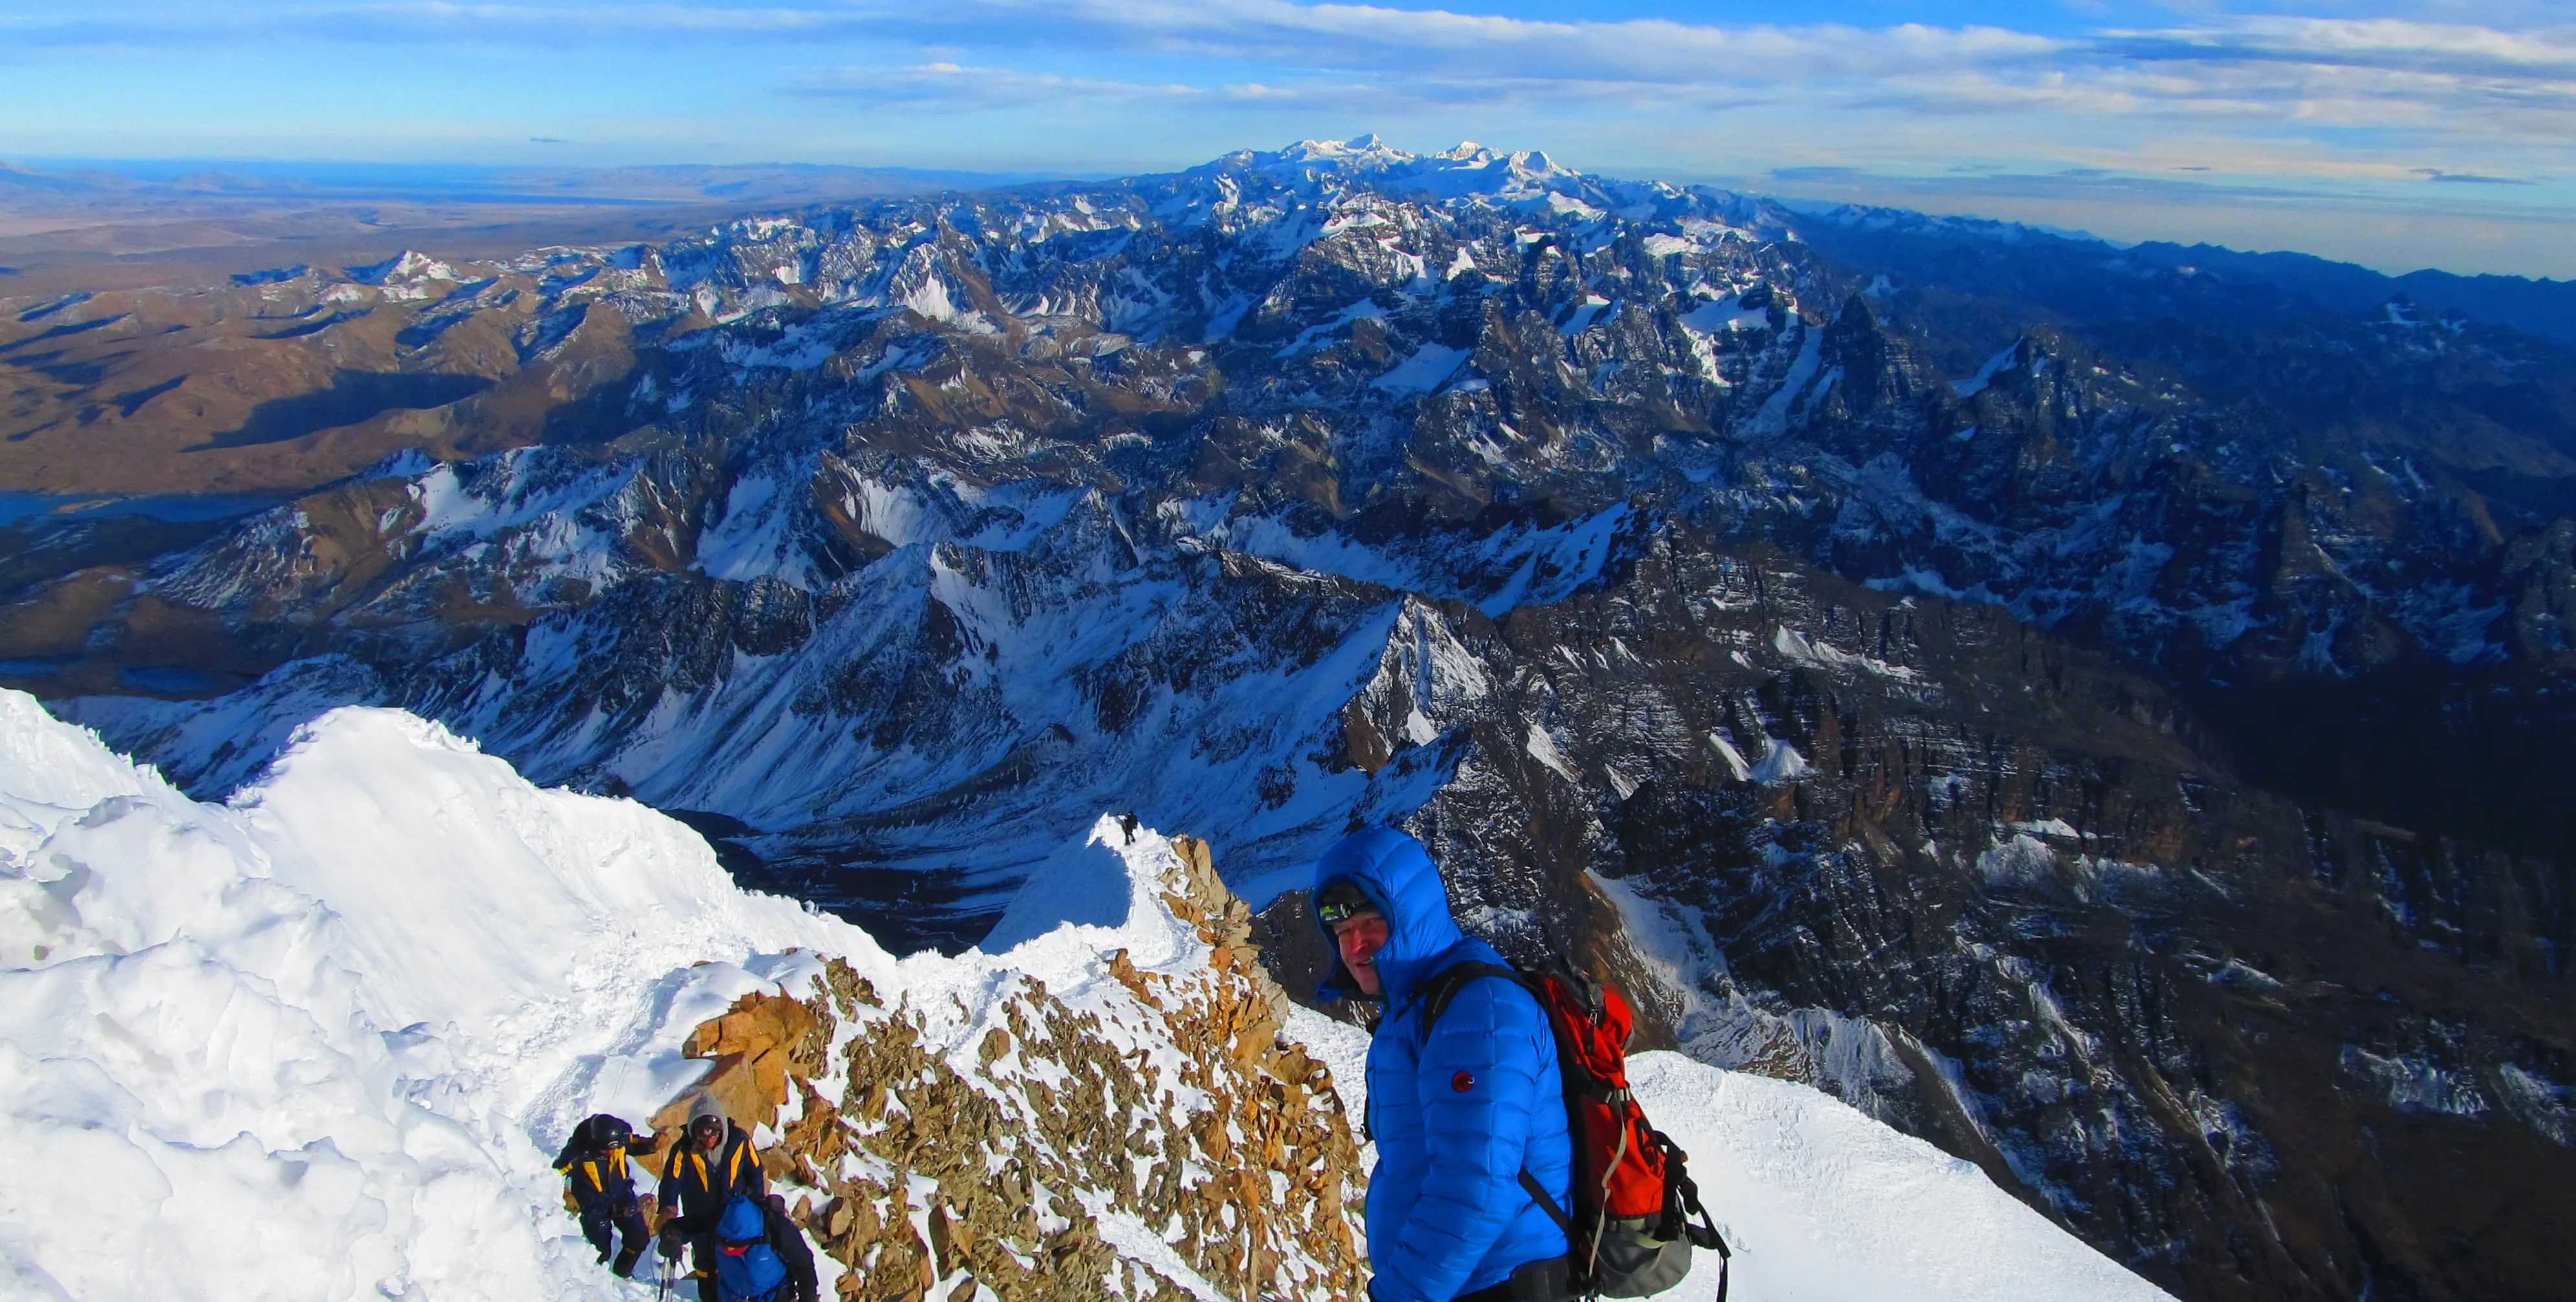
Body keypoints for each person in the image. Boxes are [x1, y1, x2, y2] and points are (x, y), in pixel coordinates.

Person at [1314, 827, 1575, 1302]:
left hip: (1500, 1285)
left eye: (1370, 923)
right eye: (1342, 932)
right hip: (1463, 1282)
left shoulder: (1477, 1010)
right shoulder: (1415, 1004)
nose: (1354, 948)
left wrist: (1399, 1295)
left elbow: (1474, 1191)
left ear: (1410, 914)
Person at [658, 1098, 768, 1302]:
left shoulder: (740, 1140)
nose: (709, 1141)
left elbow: (755, 1171)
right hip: (701, 1217)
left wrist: (758, 1203)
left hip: (734, 1218)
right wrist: (668, 1210)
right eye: (703, 1135)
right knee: (706, 1264)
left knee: (738, 1265)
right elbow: (671, 1182)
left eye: (715, 1133)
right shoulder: (683, 1150)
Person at [554, 1112, 651, 1277]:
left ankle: (623, 1273)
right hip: (593, 1205)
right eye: (605, 1149)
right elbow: (557, 1173)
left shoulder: (621, 1139)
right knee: (599, 1254)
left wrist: (652, 1145)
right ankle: (599, 1284)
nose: (610, 1152)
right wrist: (566, 1193)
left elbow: (636, 1145)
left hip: (621, 1196)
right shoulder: (578, 1151)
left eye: (613, 1148)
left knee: (639, 1238)